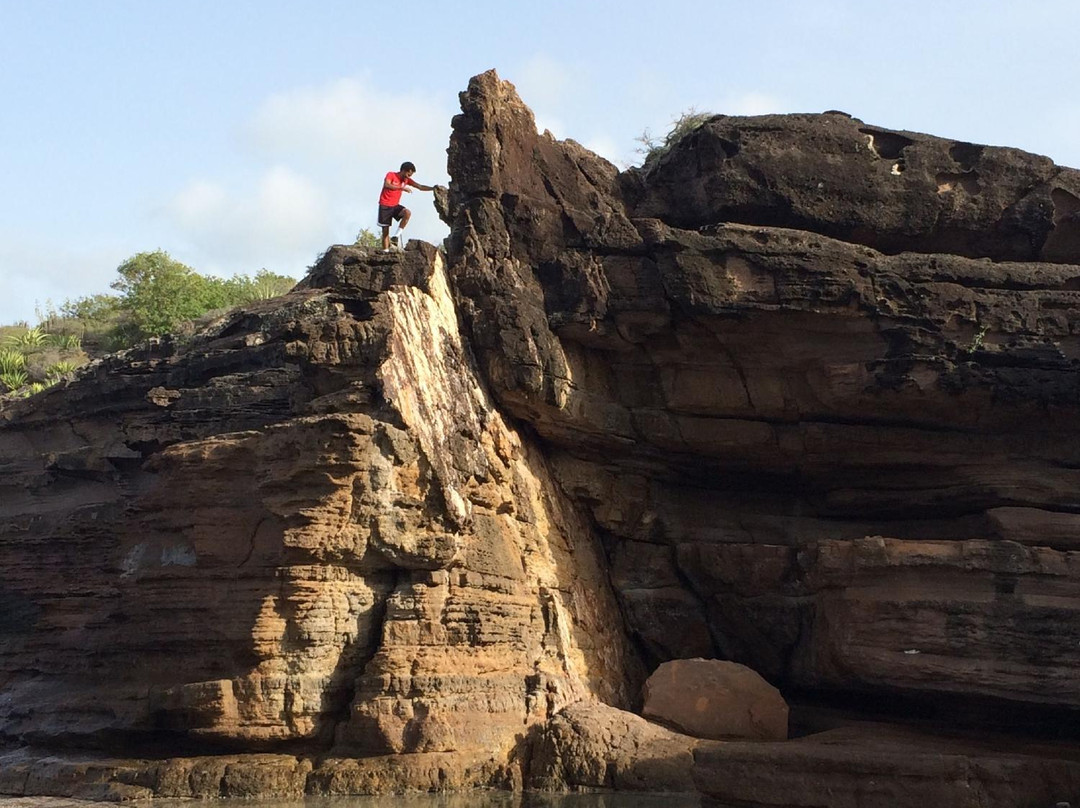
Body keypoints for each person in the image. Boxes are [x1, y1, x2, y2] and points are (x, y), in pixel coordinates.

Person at [377, 161, 434, 252]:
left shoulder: (406, 180)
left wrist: (433, 188)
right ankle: (386, 251)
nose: (408, 177)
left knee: (407, 213)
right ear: (403, 170)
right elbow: (387, 185)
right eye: (408, 174)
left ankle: (396, 236)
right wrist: (401, 188)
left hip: (395, 206)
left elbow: (419, 186)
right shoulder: (391, 175)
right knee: (385, 231)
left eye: (410, 175)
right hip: (385, 205)